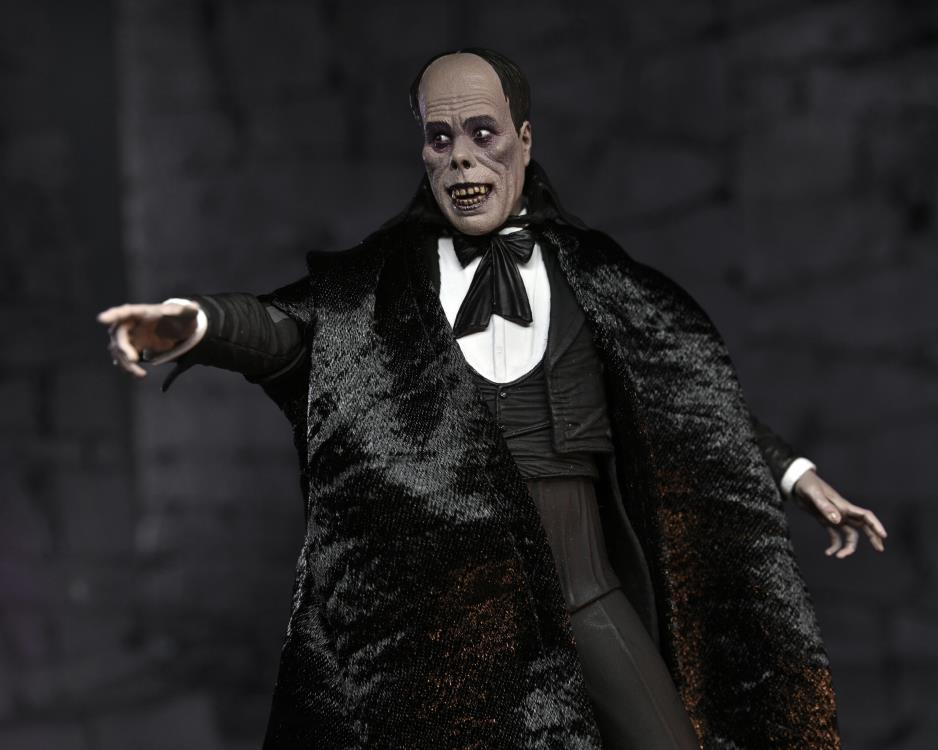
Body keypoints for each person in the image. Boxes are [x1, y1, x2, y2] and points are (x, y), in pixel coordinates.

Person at [99, 49, 886, 750]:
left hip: (586, 587)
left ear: (525, 140)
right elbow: (287, 331)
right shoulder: (383, 286)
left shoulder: (593, 276)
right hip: (455, 607)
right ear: (423, 152)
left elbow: (685, 397)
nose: (462, 159)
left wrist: (794, 474)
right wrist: (194, 326)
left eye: (483, 133)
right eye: (440, 139)